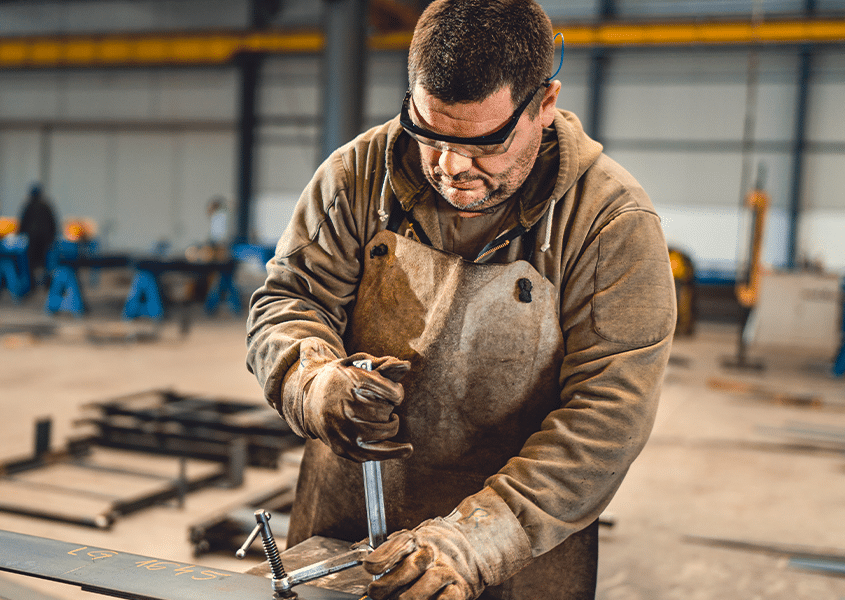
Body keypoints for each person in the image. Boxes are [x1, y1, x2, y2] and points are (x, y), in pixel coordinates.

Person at [245, 1, 676, 598]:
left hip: (519, 550)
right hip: (342, 529)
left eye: (483, 144)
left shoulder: (610, 222)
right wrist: (312, 382)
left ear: (544, 105)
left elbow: (608, 415)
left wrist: (476, 541)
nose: (450, 168)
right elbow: (288, 302)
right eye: (430, 135)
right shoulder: (356, 175)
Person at [18, 184, 57, 289]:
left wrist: (20, 236)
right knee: (46, 264)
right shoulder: (46, 206)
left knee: (29, 263)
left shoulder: (28, 206)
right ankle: (47, 284)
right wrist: (52, 238)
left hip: (32, 241)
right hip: (45, 241)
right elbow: (53, 224)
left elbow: (22, 224)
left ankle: (31, 284)